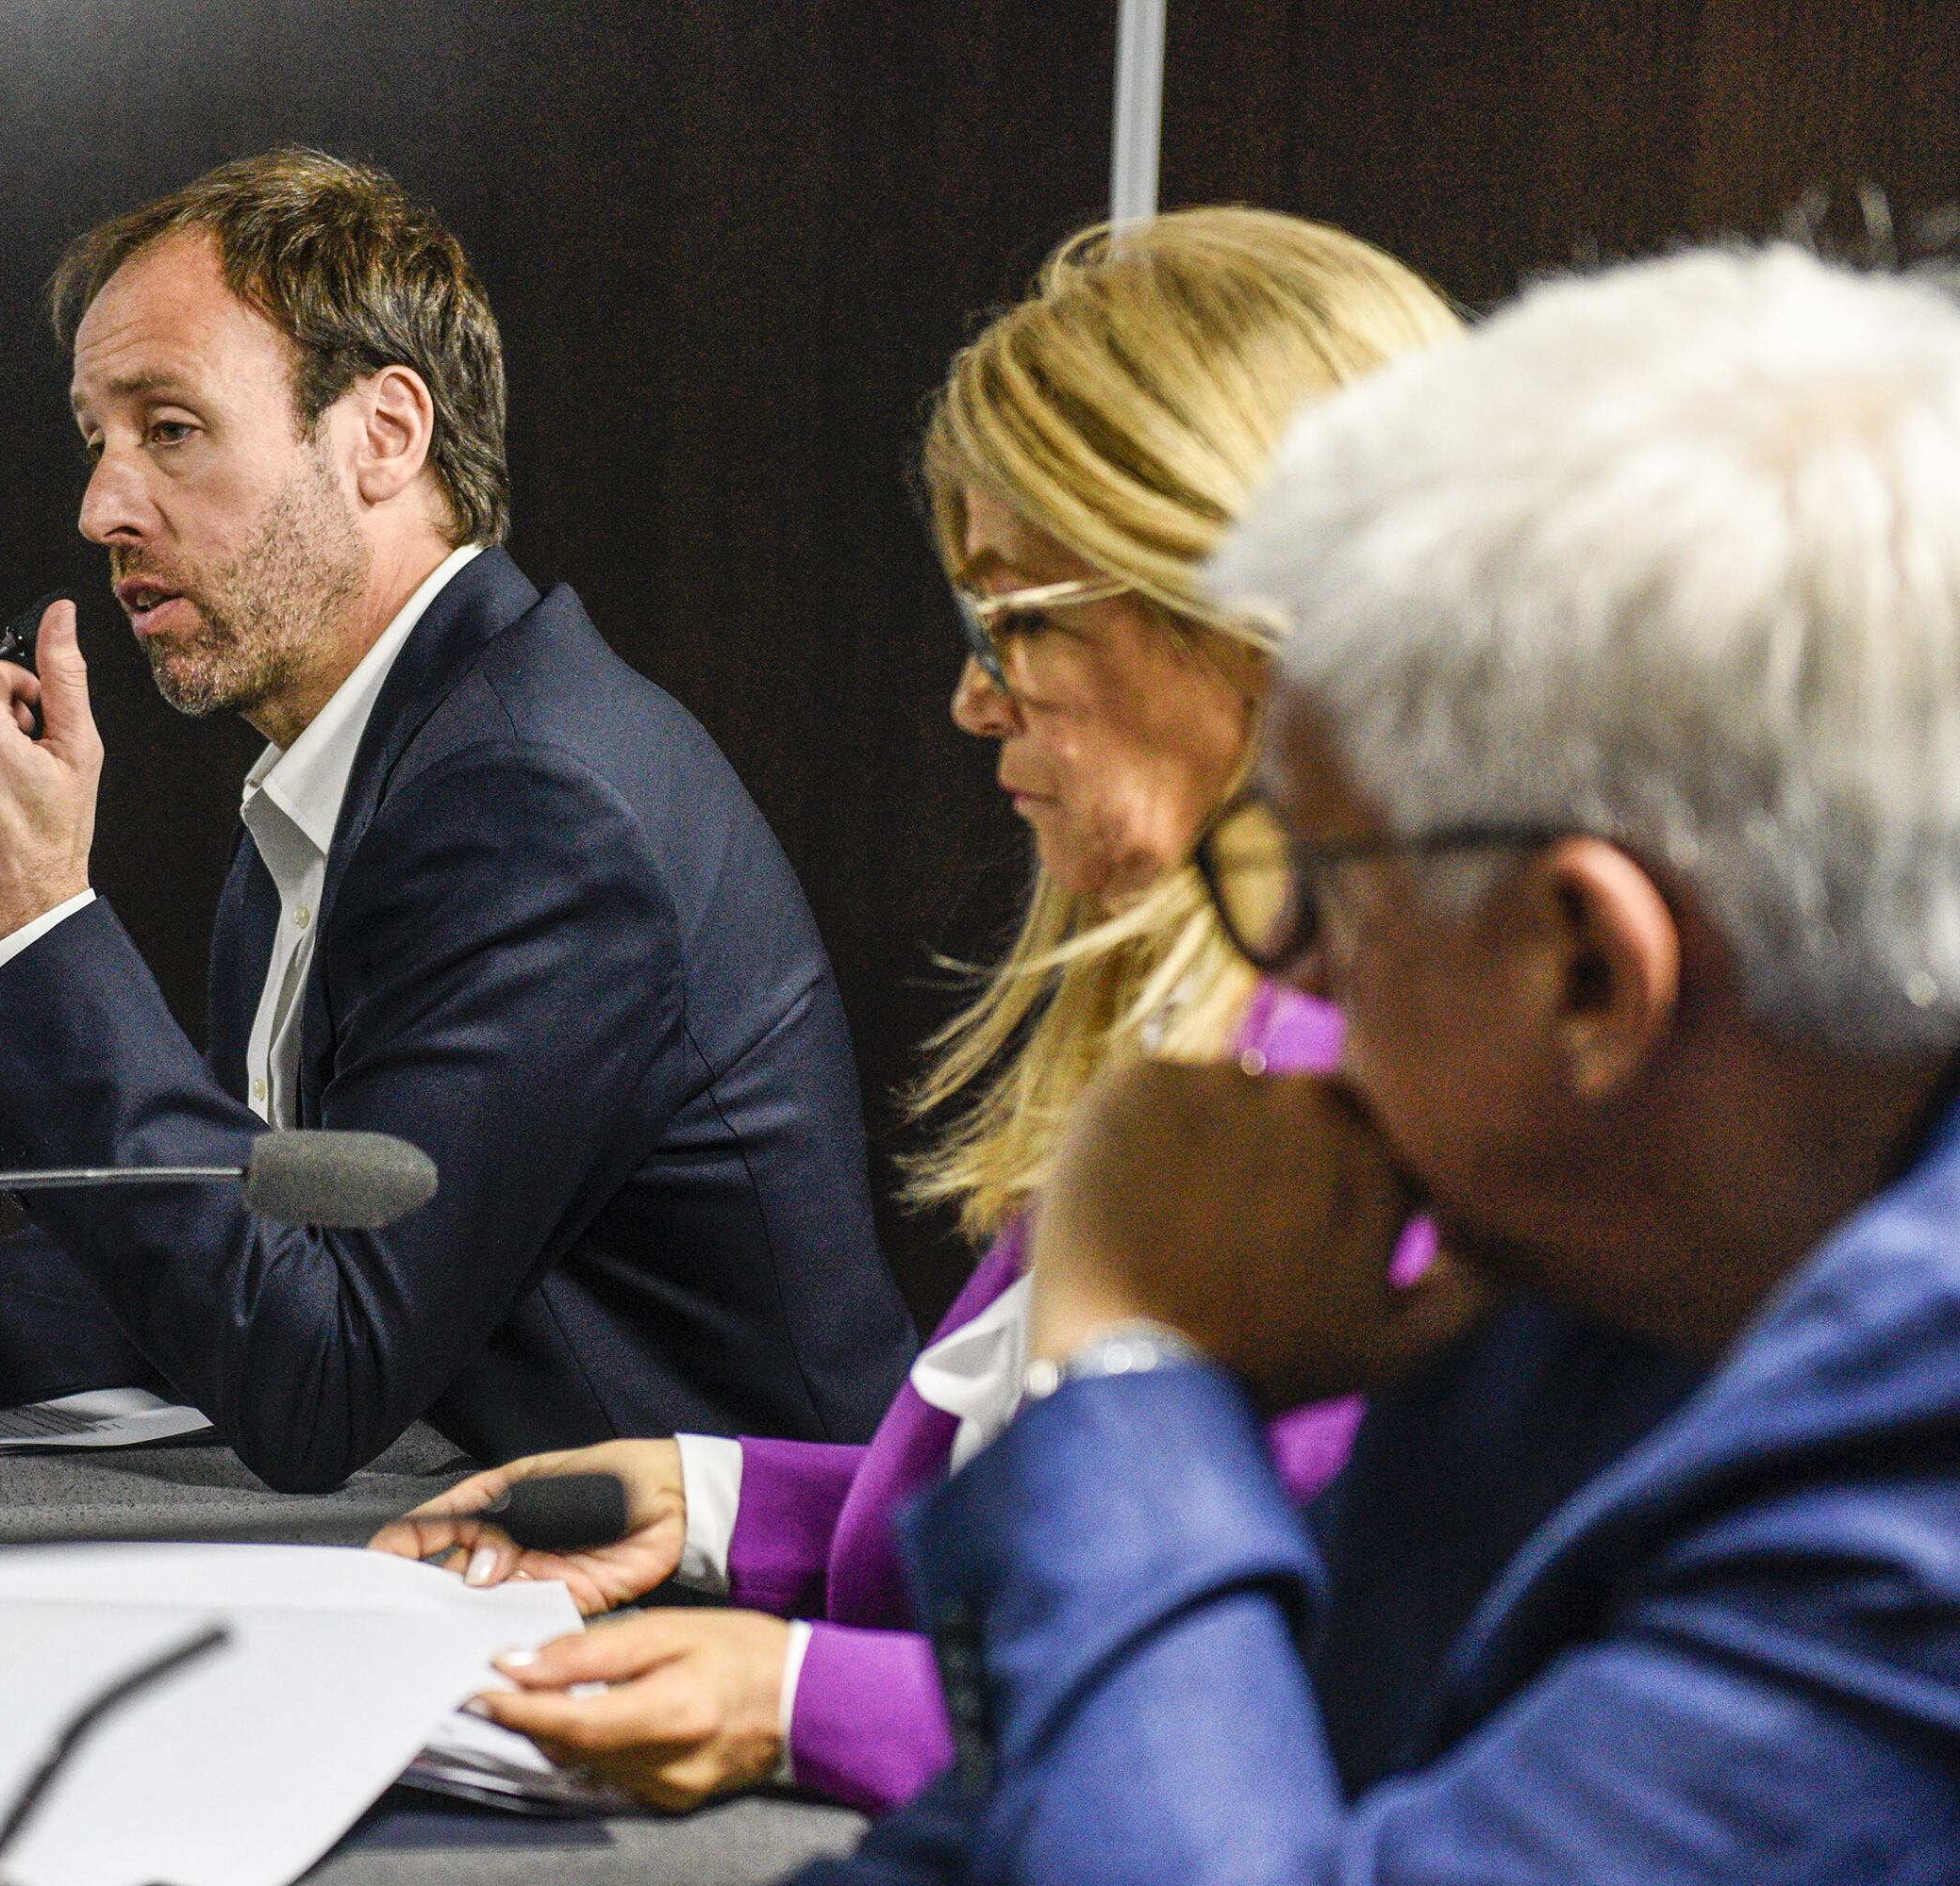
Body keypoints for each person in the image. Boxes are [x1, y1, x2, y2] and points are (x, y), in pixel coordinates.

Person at [802, 244, 1960, 1885]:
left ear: (1589, 973)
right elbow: (1046, 1820)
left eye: (1326, 887)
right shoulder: (1595, 1233)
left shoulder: (1923, 1488)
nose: (1286, 968)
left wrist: (1134, 1364)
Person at [374, 209, 1462, 1811]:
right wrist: (725, 1501)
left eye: (1016, 622)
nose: (971, 696)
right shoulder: (1205, 1035)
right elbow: (1043, 1501)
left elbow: (1271, 1708)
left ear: (1256, 621)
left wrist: (801, 1699)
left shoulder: (1377, 1112)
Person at [0, 148, 918, 1494]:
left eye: (169, 430)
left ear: (384, 437)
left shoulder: (533, 803)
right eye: (96, 443)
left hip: (747, 1610)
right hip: (513, 1549)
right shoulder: (377, 756)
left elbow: (314, 1365)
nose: (101, 508)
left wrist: (33, 924)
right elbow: (239, 1248)